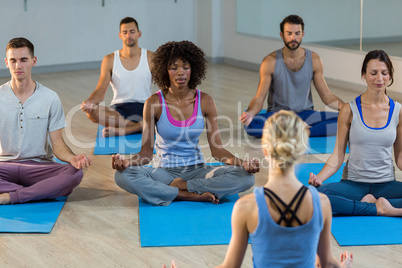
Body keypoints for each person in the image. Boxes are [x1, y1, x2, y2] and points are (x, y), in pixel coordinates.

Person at [112, 40, 259, 206]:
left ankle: (181, 188)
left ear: (193, 69)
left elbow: (218, 151)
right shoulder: (153, 103)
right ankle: (188, 195)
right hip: (164, 173)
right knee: (122, 175)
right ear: (165, 71)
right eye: (174, 67)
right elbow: (146, 154)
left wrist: (243, 163)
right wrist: (126, 163)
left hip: (198, 170)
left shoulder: (205, 101)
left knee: (246, 178)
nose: (180, 72)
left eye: (185, 67)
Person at [218, 110, 353, 267]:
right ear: (302, 149)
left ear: (265, 149)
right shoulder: (321, 203)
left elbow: (229, 266)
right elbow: (326, 263)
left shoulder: (246, 206)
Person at [309, 50, 402, 216]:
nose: (379, 79)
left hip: (386, 184)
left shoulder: (398, 111)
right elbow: (337, 156)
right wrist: (319, 178)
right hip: (354, 184)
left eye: (384, 73)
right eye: (373, 73)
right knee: (312, 196)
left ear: (390, 76)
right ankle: (381, 209)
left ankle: (375, 207)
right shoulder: (349, 110)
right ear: (364, 75)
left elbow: (400, 157)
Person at [0, 37, 91, 205]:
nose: (18, 66)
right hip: (5, 167)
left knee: (75, 173)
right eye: (13, 60)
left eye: (23, 60)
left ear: (33, 61)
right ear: (6, 62)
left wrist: (72, 158)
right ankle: (39, 191)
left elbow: (58, 145)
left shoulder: (50, 98)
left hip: (39, 168)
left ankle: (11, 195)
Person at [240, 14, 345, 138]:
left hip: (306, 115)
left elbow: (327, 96)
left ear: (302, 34)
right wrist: (250, 114)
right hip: (279, 116)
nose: (293, 38)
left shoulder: (314, 60)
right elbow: (259, 98)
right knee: (251, 126)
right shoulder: (269, 62)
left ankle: (305, 130)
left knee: (344, 120)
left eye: (297, 33)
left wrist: (347, 109)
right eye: (289, 33)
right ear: (282, 35)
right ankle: (298, 128)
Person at [81, 17, 153, 137]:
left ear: (139, 34)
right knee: (92, 112)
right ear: (120, 35)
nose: (128, 35)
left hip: (144, 107)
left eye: (132, 31)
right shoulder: (109, 59)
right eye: (125, 32)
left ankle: (126, 130)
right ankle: (141, 127)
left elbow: (164, 88)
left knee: (164, 112)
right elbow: (100, 91)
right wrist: (90, 102)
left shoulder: (151, 58)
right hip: (118, 111)